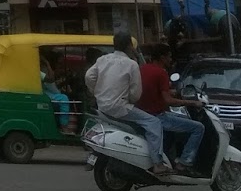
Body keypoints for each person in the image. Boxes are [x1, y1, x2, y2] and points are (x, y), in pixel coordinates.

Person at [85, 31, 168, 176]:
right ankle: (157, 163)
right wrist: (130, 100)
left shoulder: (103, 59)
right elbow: (136, 93)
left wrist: (96, 92)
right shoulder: (131, 64)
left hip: (102, 106)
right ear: (130, 46)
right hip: (120, 107)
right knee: (154, 122)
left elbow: (89, 76)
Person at [136, 41, 205, 175]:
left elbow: (153, 91)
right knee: (198, 128)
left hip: (143, 113)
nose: (171, 59)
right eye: (169, 56)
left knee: (181, 120)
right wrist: (192, 103)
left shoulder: (143, 68)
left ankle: (172, 157)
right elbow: (169, 101)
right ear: (162, 57)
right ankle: (184, 163)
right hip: (157, 116)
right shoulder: (161, 73)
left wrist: (171, 92)